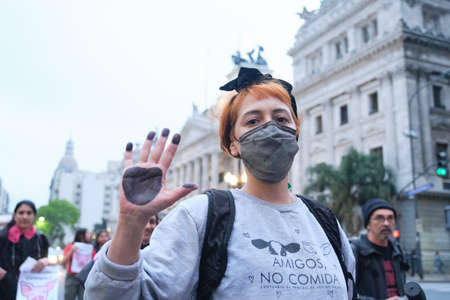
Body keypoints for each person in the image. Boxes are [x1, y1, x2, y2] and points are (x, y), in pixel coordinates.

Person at [85, 67, 355, 299]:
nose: (270, 127)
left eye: (281, 118)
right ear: (233, 145)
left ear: (296, 131)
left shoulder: (325, 222)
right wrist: (131, 222)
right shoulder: (199, 218)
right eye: (253, 121)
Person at [351, 198, 409, 300]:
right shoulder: (355, 252)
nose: (386, 223)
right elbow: (348, 293)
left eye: (390, 218)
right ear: (368, 224)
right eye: (379, 218)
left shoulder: (398, 251)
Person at [0, 200, 50, 300]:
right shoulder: (2, 237)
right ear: (15, 216)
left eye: (29, 213)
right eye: (21, 212)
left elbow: (46, 260)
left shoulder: (41, 239)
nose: (25, 216)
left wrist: (46, 261)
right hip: (4, 291)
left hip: (32, 293)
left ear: (34, 216)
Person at [62, 228, 95, 300]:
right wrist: (71, 251)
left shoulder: (90, 248)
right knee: (69, 297)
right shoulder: (71, 246)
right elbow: (63, 262)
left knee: (83, 297)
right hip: (72, 276)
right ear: (81, 235)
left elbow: (94, 263)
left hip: (85, 277)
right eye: (87, 233)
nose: (89, 235)